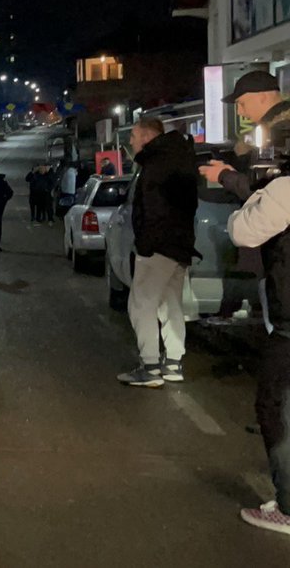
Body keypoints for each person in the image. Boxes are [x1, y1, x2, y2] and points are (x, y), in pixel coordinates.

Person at [199, 71, 290, 533]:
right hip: (280, 285)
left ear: (259, 98)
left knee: (272, 400)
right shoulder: (270, 131)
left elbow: (263, 199)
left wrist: (227, 176)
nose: (239, 110)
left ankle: (288, 505)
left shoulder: (279, 131)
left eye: (242, 102)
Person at [116, 118, 199, 388]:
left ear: (147, 136)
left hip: (159, 246)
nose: (130, 141)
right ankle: (173, 363)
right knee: (170, 303)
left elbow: (152, 207)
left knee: (141, 303)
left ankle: (150, 367)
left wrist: (146, 245)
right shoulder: (178, 157)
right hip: (180, 244)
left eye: (133, 135)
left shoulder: (156, 162)